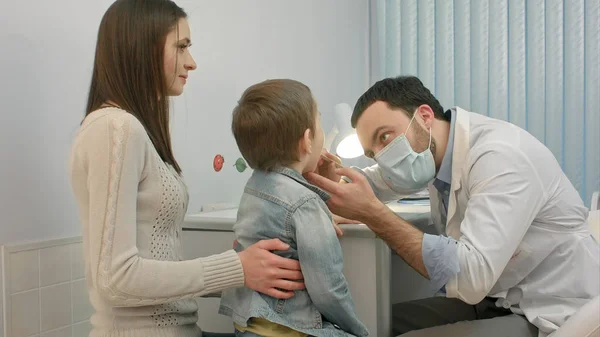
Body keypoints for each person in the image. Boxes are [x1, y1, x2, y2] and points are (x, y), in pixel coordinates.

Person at [68, 1, 305, 336]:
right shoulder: (115, 129)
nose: (191, 63)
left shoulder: (131, 129)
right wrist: (236, 268)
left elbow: (156, 268)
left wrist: (251, 266)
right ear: (142, 49)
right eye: (181, 47)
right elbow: (115, 280)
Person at [307, 76, 599, 337]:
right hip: (498, 298)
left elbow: (471, 277)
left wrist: (374, 215)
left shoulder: (500, 157)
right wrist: (334, 181)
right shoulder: (431, 156)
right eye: (372, 153)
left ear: (424, 116)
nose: (382, 157)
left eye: (385, 137)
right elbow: (374, 182)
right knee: (372, 323)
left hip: (551, 309)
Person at [218, 79, 369, 337]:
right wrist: (358, 330)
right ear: (308, 140)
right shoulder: (305, 204)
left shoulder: (254, 187)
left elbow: (282, 218)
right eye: (320, 123)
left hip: (247, 324)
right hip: (290, 327)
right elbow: (328, 289)